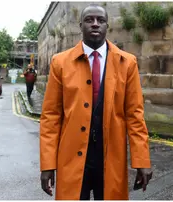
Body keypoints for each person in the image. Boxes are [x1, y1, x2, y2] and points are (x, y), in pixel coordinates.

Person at [40, 4, 153, 200]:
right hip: (72, 159)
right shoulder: (60, 63)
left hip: (110, 159)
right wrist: (48, 165)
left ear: (107, 26)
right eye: (89, 20)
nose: (95, 24)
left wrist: (142, 161)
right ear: (80, 25)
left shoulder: (127, 63)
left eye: (100, 20)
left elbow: (135, 115)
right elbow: (51, 116)